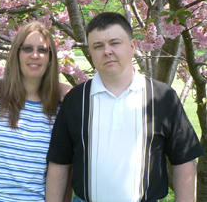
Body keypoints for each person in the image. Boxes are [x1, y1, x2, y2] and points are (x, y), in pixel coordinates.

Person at [46, 12, 204, 202]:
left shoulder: (162, 97)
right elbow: (59, 163)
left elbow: (184, 160)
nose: (107, 51)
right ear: (91, 52)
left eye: (115, 43)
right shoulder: (76, 100)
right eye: (98, 46)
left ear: (132, 46)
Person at [0, 21, 72, 202]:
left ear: (50, 57)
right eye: (27, 49)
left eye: (43, 50)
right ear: (17, 53)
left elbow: (65, 171)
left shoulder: (61, 106)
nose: (35, 55)